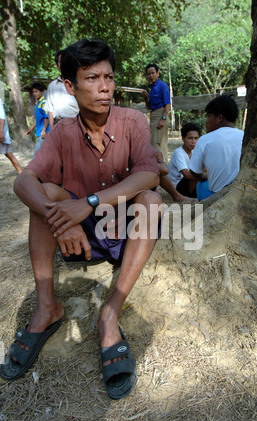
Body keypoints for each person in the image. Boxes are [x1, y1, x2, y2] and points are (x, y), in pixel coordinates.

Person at [1, 38, 161, 401]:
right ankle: (47, 308)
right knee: (45, 195)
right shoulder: (61, 133)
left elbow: (150, 175)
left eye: (108, 77)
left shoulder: (133, 121)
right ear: (70, 86)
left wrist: (87, 204)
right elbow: (24, 180)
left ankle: (109, 315)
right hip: (82, 240)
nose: (104, 87)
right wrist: (60, 217)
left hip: (124, 232)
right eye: (91, 78)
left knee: (151, 199)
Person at [189, 95, 244, 200]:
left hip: (215, 196)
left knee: (202, 184)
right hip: (240, 195)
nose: (207, 120)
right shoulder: (245, 136)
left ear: (219, 117)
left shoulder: (205, 139)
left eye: (209, 116)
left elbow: (194, 171)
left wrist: (204, 177)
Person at [142, 63, 170, 162]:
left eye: (153, 73)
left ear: (157, 73)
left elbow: (167, 104)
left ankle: (161, 167)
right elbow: (149, 107)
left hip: (161, 114)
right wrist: (146, 99)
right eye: (148, 74)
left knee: (154, 143)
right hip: (154, 115)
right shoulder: (152, 88)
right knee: (161, 144)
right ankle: (164, 169)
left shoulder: (162, 86)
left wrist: (163, 119)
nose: (151, 76)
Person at [45, 49, 79, 129]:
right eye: (61, 62)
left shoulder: (78, 83)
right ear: (57, 65)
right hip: (58, 124)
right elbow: (50, 110)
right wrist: (51, 130)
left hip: (76, 124)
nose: (64, 64)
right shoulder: (52, 86)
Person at [168, 122, 201, 199]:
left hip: (190, 183)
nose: (193, 141)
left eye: (196, 138)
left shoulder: (195, 151)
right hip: (178, 186)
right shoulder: (178, 153)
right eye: (190, 138)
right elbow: (187, 175)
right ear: (183, 138)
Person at [25, 82, 50, 157]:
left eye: (36, 91)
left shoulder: (44, 103)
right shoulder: (38, 103)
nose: (34, 93)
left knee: (36, 156)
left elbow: (47, 117)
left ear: (41, 92)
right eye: (33, 92)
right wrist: (31, 129)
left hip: (44, 134)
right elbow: (37, 118)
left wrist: (43, 130)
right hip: (39, 133)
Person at [0, 98, 22, 174]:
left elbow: (2, 117)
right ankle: (21, 173)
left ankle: (21, 173)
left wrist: (1, 132)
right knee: (9, 154)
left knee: (9, 154)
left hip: (1, 133)